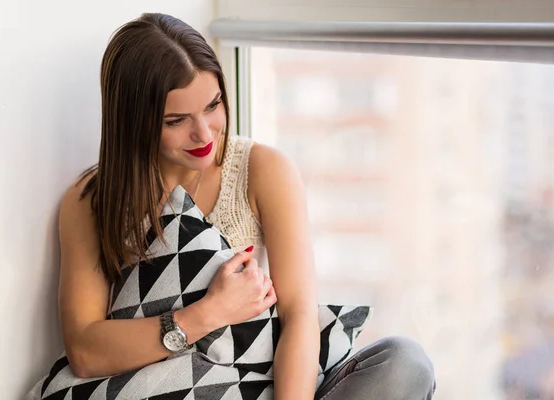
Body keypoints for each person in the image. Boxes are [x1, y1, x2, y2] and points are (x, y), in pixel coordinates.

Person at [51, 12, 436, 400]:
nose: (204, 133)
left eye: (213, 105)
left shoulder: (261, 170)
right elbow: (84, 351)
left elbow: (299, 316)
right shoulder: (92, 202)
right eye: (176, 120)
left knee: (403, 364)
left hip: (271, 387)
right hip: (161, 391)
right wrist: (206, 315)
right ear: (134, 121)